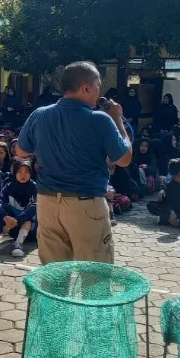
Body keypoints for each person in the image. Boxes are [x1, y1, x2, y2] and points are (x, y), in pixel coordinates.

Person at [14, 61, 132, 264]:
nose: (99, 91)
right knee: (94, 277)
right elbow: (124, 159)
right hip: (85, 204)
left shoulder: (40, 114)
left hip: (47, 202)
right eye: (97, 85)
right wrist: (118, 120)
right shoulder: (100, 120)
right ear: (86, 87)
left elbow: (20, 151)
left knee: (54, 275)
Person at [0, 159, 38, 257]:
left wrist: (17, 221)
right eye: (19, 171)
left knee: (29, 218)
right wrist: (5, 217)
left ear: (31, 173)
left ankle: (18, 244)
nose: (23, 175)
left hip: (30, 230)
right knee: (1, 209)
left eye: (27, 172)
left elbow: (35, 206)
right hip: (11, 226)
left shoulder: (35, 187)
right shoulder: (9, 186)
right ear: (15, 172)